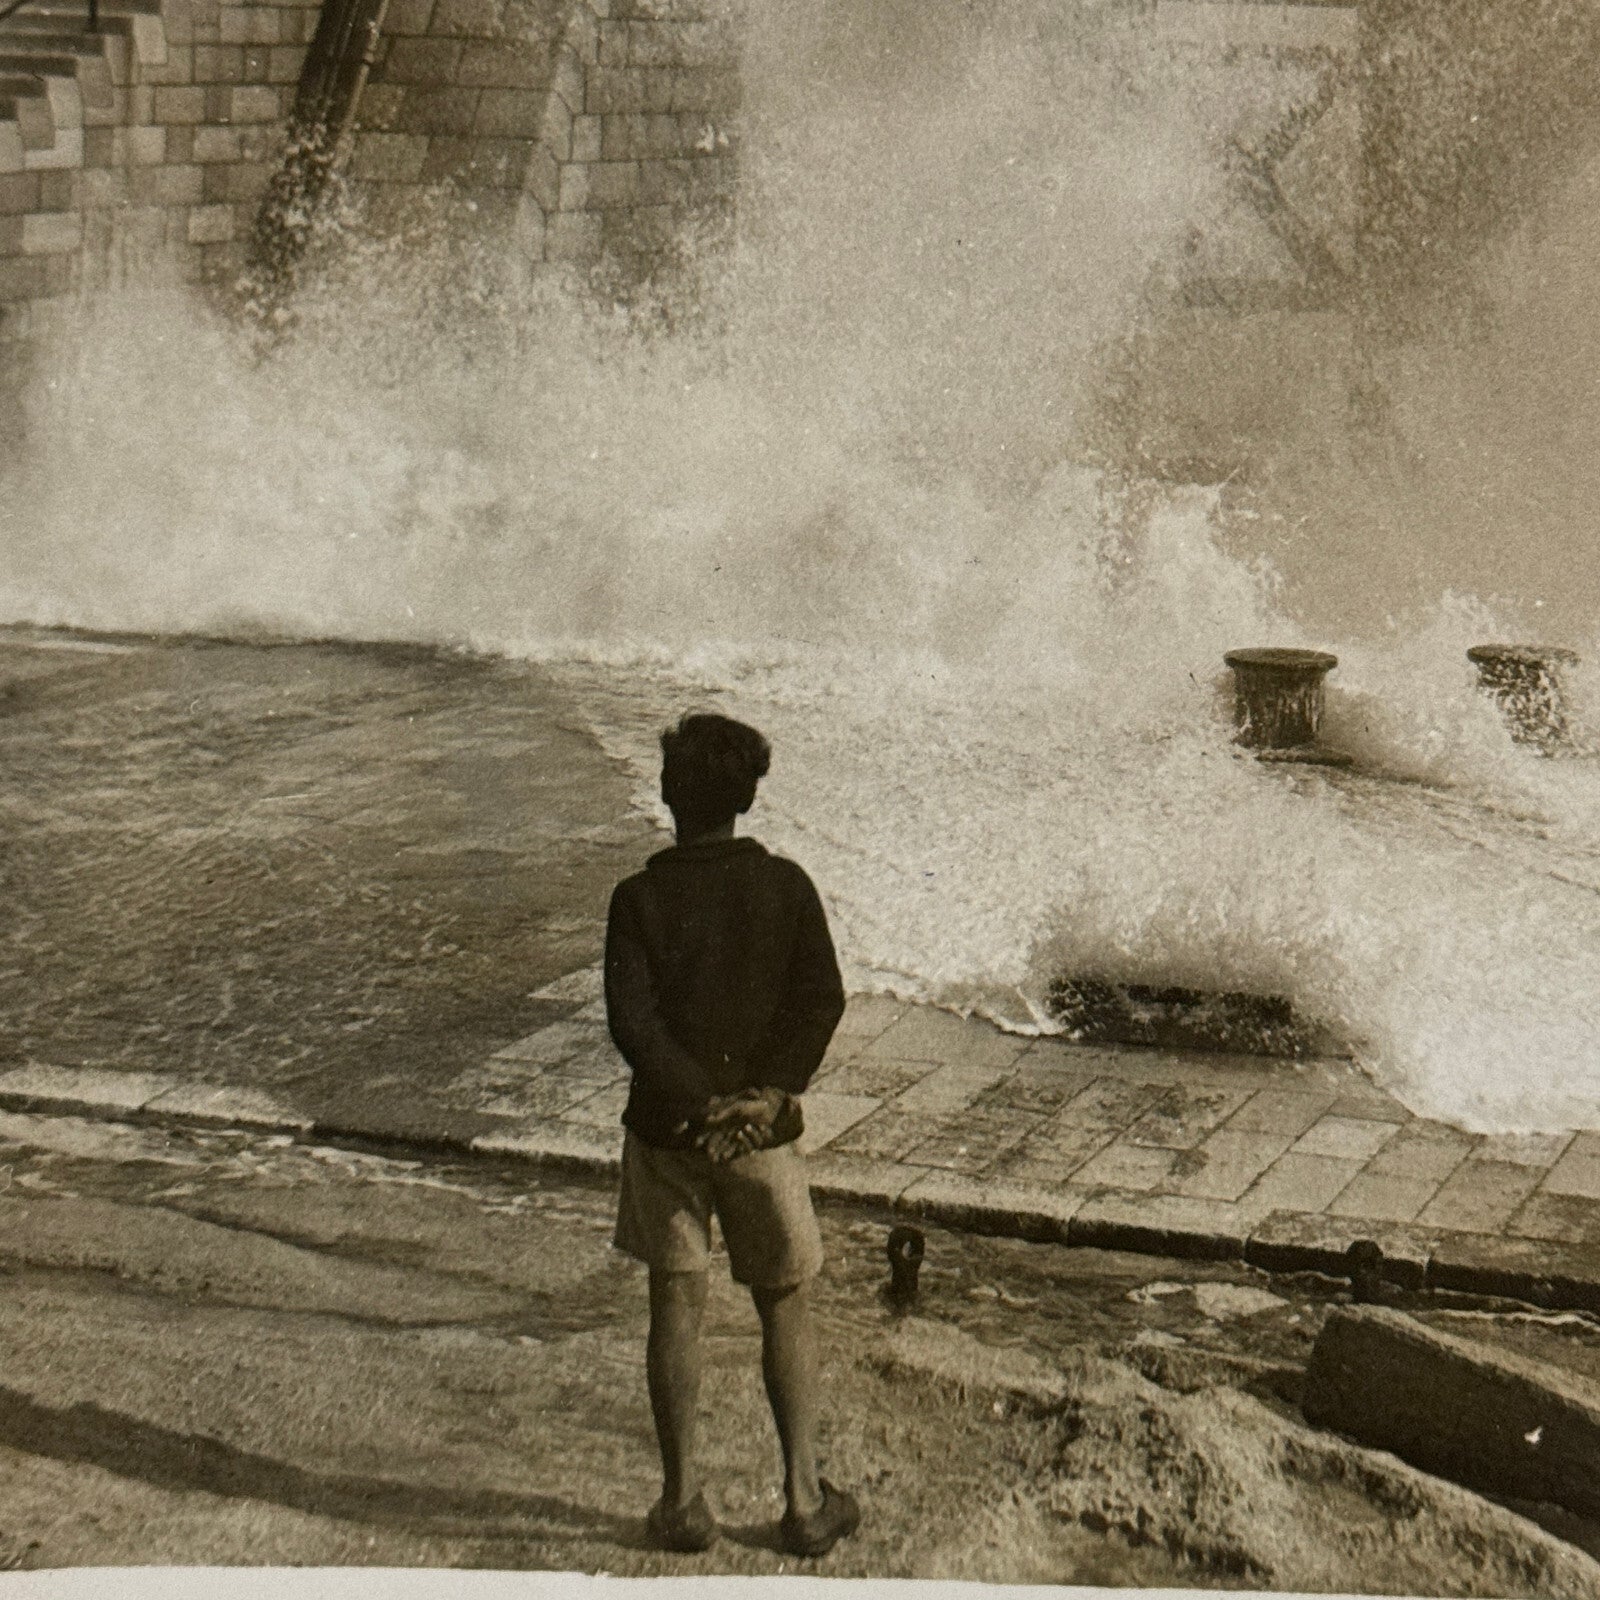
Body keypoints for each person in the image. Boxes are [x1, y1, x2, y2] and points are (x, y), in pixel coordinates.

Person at [604, 711, 858, 1558]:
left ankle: (681, 1504)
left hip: (669, 1133)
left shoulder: (637, 898)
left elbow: (633, 1025)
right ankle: (802, 1500)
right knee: (785, 1302)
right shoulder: (786, 885)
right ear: (748, 798)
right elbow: (820, 998)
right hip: (760, 1136)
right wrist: (765, 1096)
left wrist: (698, 1101)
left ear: (669, 796)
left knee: (676, 1301)